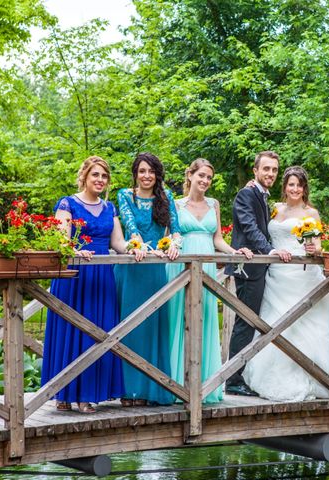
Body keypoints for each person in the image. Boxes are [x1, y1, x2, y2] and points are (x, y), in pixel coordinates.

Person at [41, 156, 145, 413]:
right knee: (70, 332)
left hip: (102, 277)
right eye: (95, 175)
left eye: (104, 176)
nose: (100, 180)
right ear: (84, 177)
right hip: (75, 275)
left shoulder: (110, 208)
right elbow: (60, 240)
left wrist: (134, 249)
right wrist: (76, 250)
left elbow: (118, 243)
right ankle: (63, 393)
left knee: (97, 334)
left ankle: (88, 393)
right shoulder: (67, 203)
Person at [243, 166, 329, 401]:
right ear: (285, 187)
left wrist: (316, 249)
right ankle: (271, 376)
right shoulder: (275, 209)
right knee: (275, 323)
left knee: (308, 325)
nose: (295, 189)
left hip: (303, 274)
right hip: (277, 275)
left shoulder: (311, 213)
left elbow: (319, 244)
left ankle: (319, 377)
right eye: (291, 184)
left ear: (305, 188)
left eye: (299, 185)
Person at [167, 158, 252, 403]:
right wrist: (173, 246)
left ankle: (205, 385)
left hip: (205, 265)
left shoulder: (214, 204)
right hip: (183, 265)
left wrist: (234, 251)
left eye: (209, 178)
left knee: (204, 320)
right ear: (190, 175)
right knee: (179, 321)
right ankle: (177, 386)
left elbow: (217, 240)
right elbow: (171, 236)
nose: (205, 181)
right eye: (201, 176)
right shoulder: (176, 204)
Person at [114, 152, 181, 406]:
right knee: (129, 328)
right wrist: (138, 244)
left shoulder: (166, 198)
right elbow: (130, 226)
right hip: (133, 266)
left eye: (151, 171)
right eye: (142, 171)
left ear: (157, 175)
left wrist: (174, 245)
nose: (146, 176)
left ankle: (150, 388)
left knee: (152, 327)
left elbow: (175, 230)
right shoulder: (125, 195)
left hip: (155, 270)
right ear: (135, 173)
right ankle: (128, 390)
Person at [225, 151, 291, 396]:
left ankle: (240, 375)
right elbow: (250, 228)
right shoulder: (246, 194)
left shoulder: (262, 195)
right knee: (245, 322)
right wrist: (270, 250)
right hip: (249, 268)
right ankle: (232, 379)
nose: (270, 173)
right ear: (255, 171)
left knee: (251, 322)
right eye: (266, 169)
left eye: (274, 170)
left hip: (259, 268)